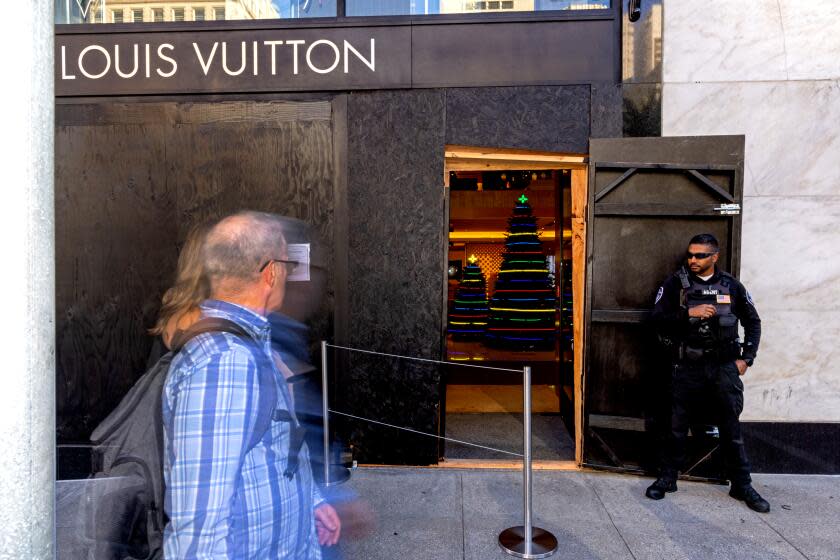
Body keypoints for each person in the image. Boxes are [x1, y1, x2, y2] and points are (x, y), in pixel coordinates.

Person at [162, 210, 341, 558]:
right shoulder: (224, 363)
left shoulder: (247, 344)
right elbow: (199, 528)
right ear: (271, 272)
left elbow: (274, 446)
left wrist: (312, 502)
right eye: (287, 267)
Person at [645, 233, 769, 513]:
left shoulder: (732, 286)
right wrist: (690, 313)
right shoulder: (675, 283)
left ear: (715, 256)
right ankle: (667, 478)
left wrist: (747, 358)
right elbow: (656, 320)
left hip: (724, 368)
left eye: (700, 255)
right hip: (688, 367)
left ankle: (741, 484)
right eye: (690, 254)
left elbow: (753, 322)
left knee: (731, 427)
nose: (693, 260)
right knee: (675, 427)